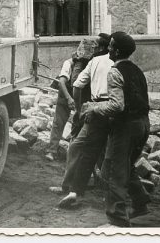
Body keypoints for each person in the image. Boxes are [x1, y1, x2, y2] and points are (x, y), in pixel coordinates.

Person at [82, 31, 151, 228]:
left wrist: (93, 108)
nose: (108, 49)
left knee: (113, 170)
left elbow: (116, 106)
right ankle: (140, 202)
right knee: (127, 165)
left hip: (125, 127)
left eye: (111, 46)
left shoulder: (114, 72)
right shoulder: (137, 71)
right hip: (143, 124)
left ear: (117, 50)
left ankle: (117, 219)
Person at [53, 33, 114, 208]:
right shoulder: (114, 63)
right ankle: (94, 187)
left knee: (81, 147)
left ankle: (73, 189)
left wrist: (80, 110)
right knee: (100, 149)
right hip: (106, 109)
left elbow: (76, 85)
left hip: (93, 110)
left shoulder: (92, 62)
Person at [45, 39, 95, 161]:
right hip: (65, 94)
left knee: (80, 123)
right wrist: (69, 99)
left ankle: (76, 153)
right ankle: (52, 150)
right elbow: (61, 82)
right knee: (58, 123)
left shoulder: (92, 63)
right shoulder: (69, 63)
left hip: (82, 96)